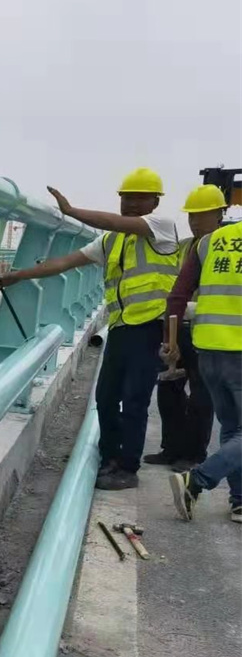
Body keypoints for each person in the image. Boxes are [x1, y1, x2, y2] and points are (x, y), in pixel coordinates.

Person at [0, 168, 179, 490]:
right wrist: (19, 275)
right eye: (127, 198)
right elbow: (64, 263)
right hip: (122, 326)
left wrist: (71, 212)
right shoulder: (109, 242)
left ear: (155, 202)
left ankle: (127, 468)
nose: (133, 204)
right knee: (106, 397)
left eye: (141, 198)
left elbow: (115, 222)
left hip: (151, 326)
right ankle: (109, 456)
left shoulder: (161, 228)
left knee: (135, 400)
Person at [166, 218, 242, 523]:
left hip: (209, 347)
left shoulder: (212, 240)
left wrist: (170, 342)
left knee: (234, 428)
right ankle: (197, 480)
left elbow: (178, 295)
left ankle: (239, 500)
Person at [144, 186, 225, 470]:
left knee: (201, 396)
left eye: (201, 215)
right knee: (169, 389)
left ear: (219, 214)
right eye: (192, 215)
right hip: (178, 325)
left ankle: (193, 454)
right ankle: (172, 448)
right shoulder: (187, 246)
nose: (195, 220)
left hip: (206, 330)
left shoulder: (222, 247)